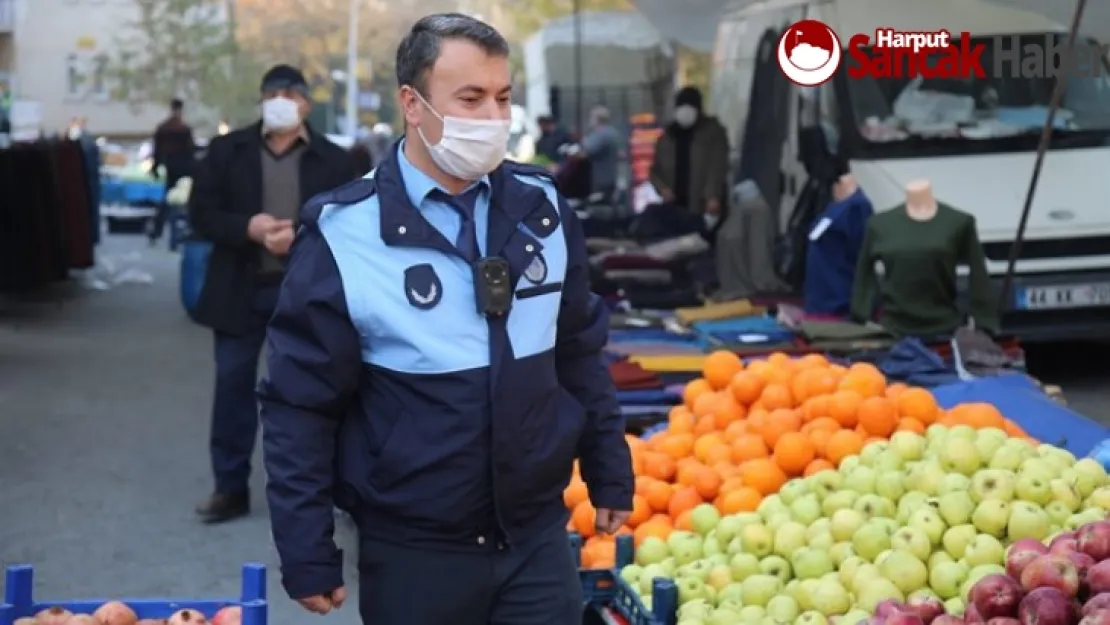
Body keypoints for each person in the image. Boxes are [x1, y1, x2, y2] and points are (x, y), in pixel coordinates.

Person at [257, 13, 633, 624]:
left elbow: (578, 353)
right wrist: (306, 549)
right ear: (413, 104)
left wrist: (609, 471)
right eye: (470, 98)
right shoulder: (343, 233)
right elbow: (298, 404)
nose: (491, 117)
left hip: (536, 541)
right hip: (414, 550)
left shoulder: (543, 210)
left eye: (503, 97)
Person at [187, 64, 357, 524]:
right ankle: (229, 486)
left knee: (319, 391)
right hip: (241, 290)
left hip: (307, 295)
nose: (280, 100)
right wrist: (248, 227)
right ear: (261, 100)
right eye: (272, 93)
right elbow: (200, 212)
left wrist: (301, 237)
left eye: (290, 93)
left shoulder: (335, 159)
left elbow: (353, 221)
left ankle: (332, 488)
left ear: (306, 103)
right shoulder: (228, 151)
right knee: (233, 388)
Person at [649, 86, 730, 222]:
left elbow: (718, 167)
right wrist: (663, 189)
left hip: (702, 207)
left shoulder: (712, 134)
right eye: (682, 106)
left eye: (690, 106)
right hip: (673, 207)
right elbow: (655, 171)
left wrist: (713, 196)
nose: (685, 112)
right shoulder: (668, 137)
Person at [149, 99, 196, 244]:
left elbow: (157, 149)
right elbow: (190, 149)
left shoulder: (164, 128)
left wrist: (155, 167)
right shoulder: (184, 128)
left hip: (171, 165)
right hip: (184, 166)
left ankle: (157, 231)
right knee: (187, 199)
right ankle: (188, 229)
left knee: (167, 199)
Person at [578, 105, 622, 200]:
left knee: (598, 203)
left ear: (597, 119)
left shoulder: (601, 134)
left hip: (600, 178)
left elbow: (586, 151)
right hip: (611, 176)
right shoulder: (613, 132)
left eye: (591, 117)